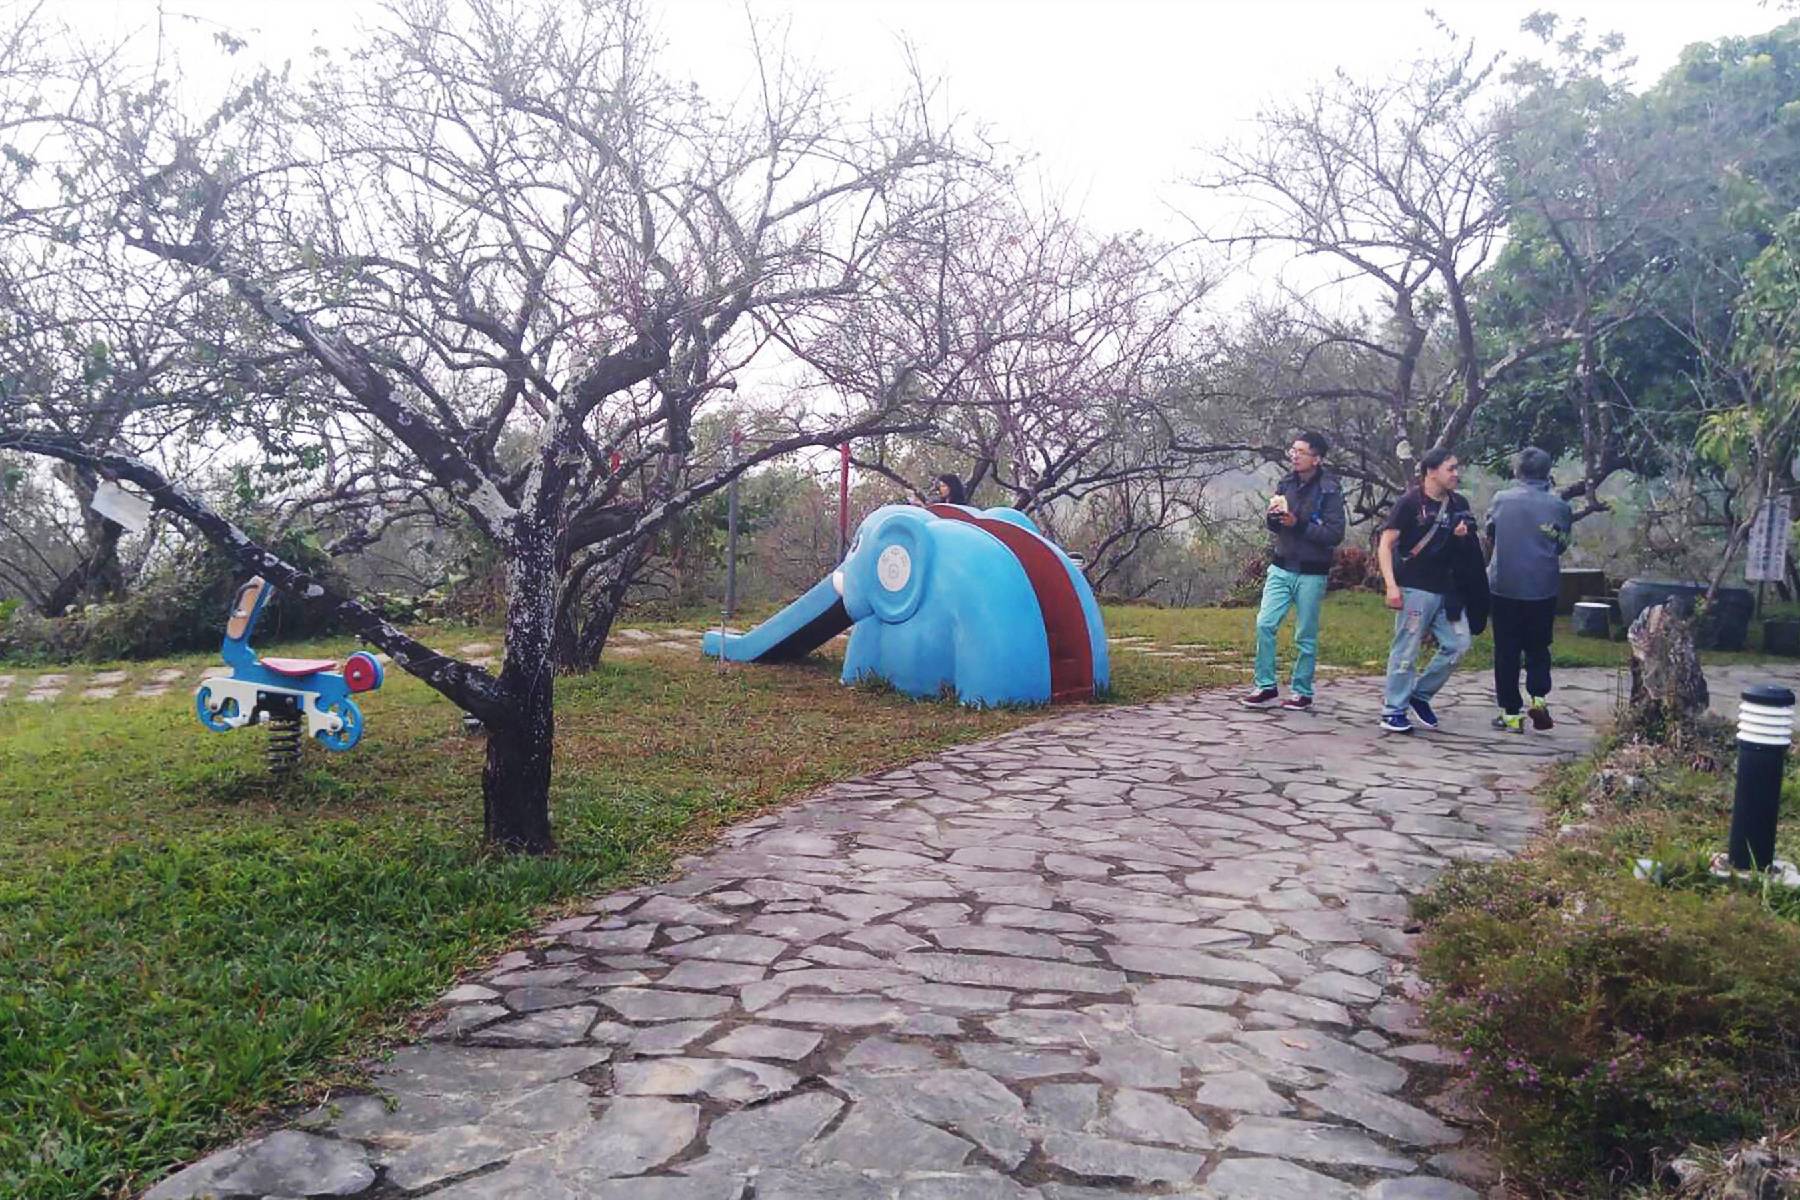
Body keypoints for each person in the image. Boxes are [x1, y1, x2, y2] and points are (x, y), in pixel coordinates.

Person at [1240, 431, 1346, 712]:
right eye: (1292, 451)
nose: (1294, 456)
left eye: (1301, 452)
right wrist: (1274, 519)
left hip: (1312, 572)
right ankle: (1265, 685)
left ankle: (1302, 691)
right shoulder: (1285, 482)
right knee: (1265, 623)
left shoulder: (1330, 490)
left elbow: (1335, 534)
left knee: (1305, 634)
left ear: (1317, 458)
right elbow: (1276, 525)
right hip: (1281, 565)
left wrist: (1297, 524)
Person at [1376, 447, 1476, 734]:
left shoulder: (1459, 503)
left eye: (1457, 468)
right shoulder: (1410, 502)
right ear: (1431, 471)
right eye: (1450, 469)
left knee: (1458, 645)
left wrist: (1462, 537)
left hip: (1448, 590)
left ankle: (1420, 695)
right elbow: (1386, 544)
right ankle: (1393, 709)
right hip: (1414, 587)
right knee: (1406, 649)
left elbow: (1466, 550)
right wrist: (1391, 585)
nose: (1456, 474)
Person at [1485, 446, 1573, 732]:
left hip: (1505, 586)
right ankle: (1538, 698)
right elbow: (1560, 544)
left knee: (1506, 651)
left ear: (1517, 471)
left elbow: (1491, 533)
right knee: (1538, 647)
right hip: (1542, 587)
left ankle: (1511, 713)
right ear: (1548, 472)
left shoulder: (1501, 500)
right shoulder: (1559, 506)